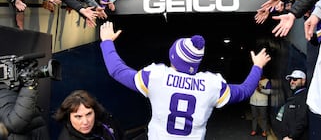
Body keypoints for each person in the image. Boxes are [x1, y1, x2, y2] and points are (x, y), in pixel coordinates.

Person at [99, 21, 271, 140]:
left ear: (172, 56)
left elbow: (117, 70)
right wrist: (257, 66)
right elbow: (245, 90)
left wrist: (107, 42)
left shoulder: (156, 76)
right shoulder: (211, 85)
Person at [54, 90, 123, 140]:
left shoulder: (106, 121)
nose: (85, 122)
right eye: (78, 116)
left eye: (89, 114)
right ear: (68, 117)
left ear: (95, 111)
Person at [274, 70, 308, 140]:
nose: (292, 82)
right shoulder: (293, 96)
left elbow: (302, 120)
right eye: (291, 79)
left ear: (303, 81)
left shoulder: (303, 97)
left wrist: (291, 137)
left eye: (295, 79)